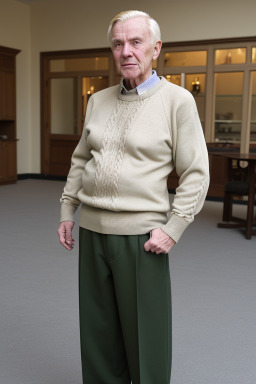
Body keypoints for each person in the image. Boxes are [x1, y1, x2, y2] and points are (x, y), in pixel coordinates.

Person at [57, 10, 209, 384]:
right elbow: (80, 160)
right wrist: (67, 209)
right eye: (118, 43)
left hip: (142, 240)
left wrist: (173, 228)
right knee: (98, 333)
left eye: (136, 42)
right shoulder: (98, 101)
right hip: (92, 232)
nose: (126, 51)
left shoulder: (177, 102)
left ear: (156, 48)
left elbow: (196, 173)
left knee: (147, 337)